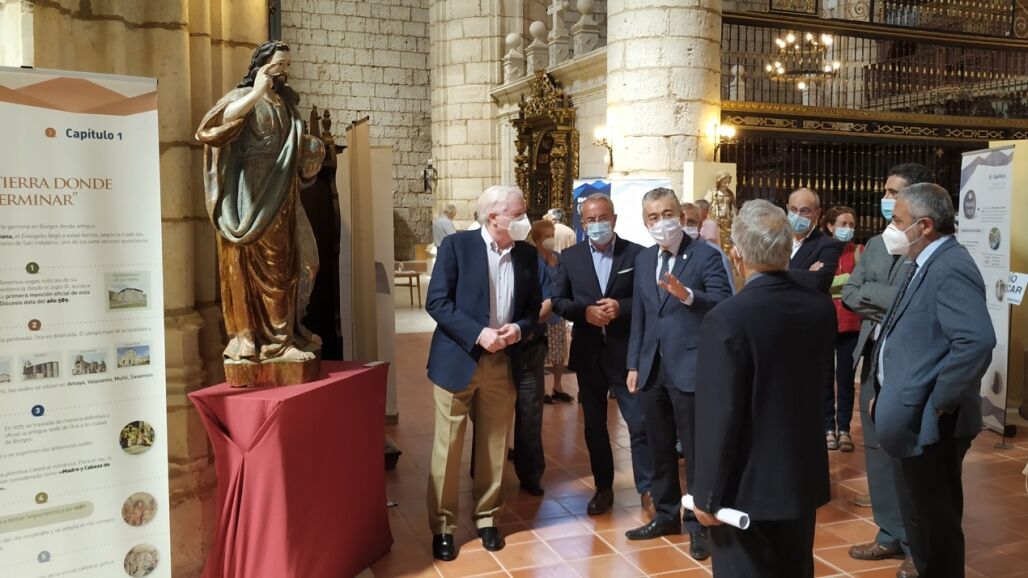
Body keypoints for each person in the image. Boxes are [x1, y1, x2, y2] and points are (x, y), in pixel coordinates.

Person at [692, 199, 836, 578]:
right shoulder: (819, 308)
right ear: (788, 251)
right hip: (799, 473)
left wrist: (706, 493)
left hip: (745, 483)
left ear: (737, 256)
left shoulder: (727, 318)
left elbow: (719, 414)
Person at [871, 183, 995, 578]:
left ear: (924, 225)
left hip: (935, 424)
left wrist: (940, 402)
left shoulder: (950, 265)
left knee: (935, 522)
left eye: (898, 220)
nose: (891, 228)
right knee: (919, 518)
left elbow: (976, 341)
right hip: (912, 416)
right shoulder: (923, 260)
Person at [424, 185, 542, 562]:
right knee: (448, 447)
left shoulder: (526, 253)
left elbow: (533, 307)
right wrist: (479, 333)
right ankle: (443, 526)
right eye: (519, 213)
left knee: (494, 444)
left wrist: (518, 329)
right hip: (458, 358)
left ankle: (488, 517)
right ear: (494, 217)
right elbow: (437, 301)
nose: (525, 219)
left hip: (502, 361)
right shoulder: (457, 246)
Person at [196, 40, 325, 365]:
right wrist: (256, 93)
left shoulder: (287, 104)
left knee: (295, 264)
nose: (283, 71)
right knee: (253, 267)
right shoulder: (243, 97)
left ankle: (285, 334)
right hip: (250, 193)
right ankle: (261, 340)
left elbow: (293, 150)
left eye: (287, 65)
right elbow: (213, 126)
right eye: (278, 64)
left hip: (283, 192)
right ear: (261, 65)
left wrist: (310, 157)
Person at [624, 188, 732, 560]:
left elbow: (723, 303)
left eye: (667, 214)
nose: (661, 223)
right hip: (652, 367)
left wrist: (688, 295)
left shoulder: (705, 254)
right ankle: (666, 514)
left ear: (680, 216)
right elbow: (640, 316)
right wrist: (634, 364)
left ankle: (699, 524)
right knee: (658, 447)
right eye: (653, 217)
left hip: (690, 367)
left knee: (696, 450)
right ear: (645, 222)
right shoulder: (643, 259)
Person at [842, 162, 933, 577]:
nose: (885, 199)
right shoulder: (877, 243)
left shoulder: (927, 246)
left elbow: (911, 299)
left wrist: (878, 297)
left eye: (894, 193)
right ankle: (889, 532)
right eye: (885, 191)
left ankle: (918, 545)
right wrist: (887, 298)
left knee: (908, 457)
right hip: (873, 357)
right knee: (876, 451)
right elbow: (850, 292)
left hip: (907, 364)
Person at [551, 193, 652, 518]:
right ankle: (603, 488)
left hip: (626, 355)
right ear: (583, 224)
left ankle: (648, 489)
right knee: (594, 425)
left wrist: (621, 307)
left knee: (639, 423)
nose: (597, 224)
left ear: (614, 219)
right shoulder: (571, 257)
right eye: (591, 220)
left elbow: (648, 299)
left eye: (603, 218)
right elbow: (558, 301)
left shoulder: (637, 255)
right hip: (589, 353)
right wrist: (584, 313)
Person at [506, 220, 558, 499]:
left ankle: (530, 473)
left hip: (529, 345)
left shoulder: (533, 260)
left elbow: (548, 300)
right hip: (495, 347)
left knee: (530, 410)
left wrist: (522, 327)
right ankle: (484, 472)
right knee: (489, 412)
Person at [823, 205, 863, 453]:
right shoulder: (821, 250)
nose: (848, 228)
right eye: (843, 224)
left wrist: (834, 285)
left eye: (851, 224)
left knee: (846, 379)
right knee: (825, 378)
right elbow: (819, 282)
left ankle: (844, 429)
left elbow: (861, 284)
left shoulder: (859, 252)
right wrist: (846, 282)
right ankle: (828, 427)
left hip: (850, 323)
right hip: (825, 322)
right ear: (830, 226)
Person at [530, 220, 572, 405]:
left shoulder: (558, 257)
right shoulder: (532, 259)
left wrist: (554, 266)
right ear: (537, 239)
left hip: (556, 313)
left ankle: (558, 385)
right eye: (547, 236)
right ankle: (543, 388)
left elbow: (562, 282)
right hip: (540, 312)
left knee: (559, 351)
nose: (551, 240)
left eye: (552, 235)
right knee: (541, 353)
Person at [787, 188, 843, 295]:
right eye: (793, 210)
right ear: (787, 208)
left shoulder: (829, 244)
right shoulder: (775, 240)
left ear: (817, 213)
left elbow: (819, 282)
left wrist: (775, 272)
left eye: (804, 211)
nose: (798, 215)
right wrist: (806, 274)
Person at [683, 202, 736, 293]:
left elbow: (728, 292)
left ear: (700, 225)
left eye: (691, 222)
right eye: (681, 222)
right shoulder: (674, 251)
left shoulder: (715, 253)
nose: (685, 226)